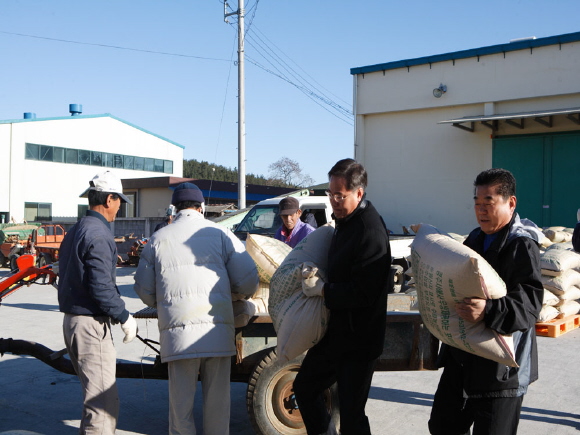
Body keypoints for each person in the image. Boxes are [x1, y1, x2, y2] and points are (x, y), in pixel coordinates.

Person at [134, 182, 259, 435]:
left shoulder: (158, 238)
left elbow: (144, 291)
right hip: (217, 333)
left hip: (178, 336)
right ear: (201, 207)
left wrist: (164, 301)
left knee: (180, 410)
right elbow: (248, 281)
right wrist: (234, 293)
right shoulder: (221, 234)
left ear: (175, 208)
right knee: (217, 407)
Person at [428, 168, 544, 435]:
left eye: (488, 203)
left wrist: (488, 310)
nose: (480, 210)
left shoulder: (521, 245)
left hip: (501, 372)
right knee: (442, 426)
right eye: (477, 203)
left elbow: (529, 307)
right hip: (464, 359)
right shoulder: (475, 239)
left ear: (510, 202)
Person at [293, 158, 392, 435]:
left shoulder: (369, 231)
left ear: (359, 193)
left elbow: (365, 292)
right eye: (331, 194)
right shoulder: (345, 222)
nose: (334, 201)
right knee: (305, 386)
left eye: (340, 195)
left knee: (351, 414)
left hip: (360, 340)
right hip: (337, 334)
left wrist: (323, 290)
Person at [57, 170, 138, 435]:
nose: (119, 208)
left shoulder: (76, 230)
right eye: (119, 202)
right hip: (90, 325)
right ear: (109, 199)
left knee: (93, 402)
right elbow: (101, 287)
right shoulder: (99, 234)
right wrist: (124, 316)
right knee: (102, 406)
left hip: (73, 322)